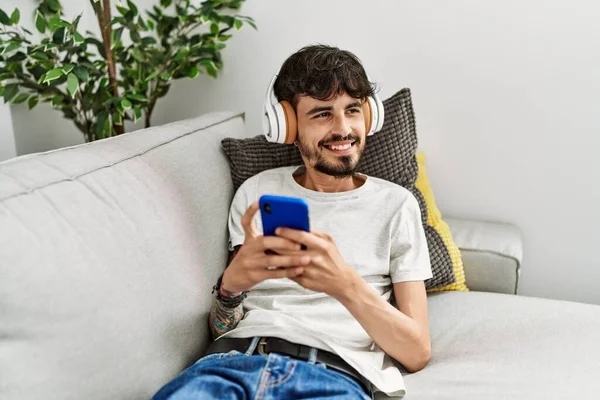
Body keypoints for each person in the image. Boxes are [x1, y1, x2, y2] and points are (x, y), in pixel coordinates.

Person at [153, 44, 433, 400]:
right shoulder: (257, 192)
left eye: (352, 111)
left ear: (370, 115)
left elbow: (417, 352)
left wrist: (344, 284)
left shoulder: (397, 206)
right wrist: (229, 289)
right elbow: (222, 327)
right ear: (287, 124)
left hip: (334, 375)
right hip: (232, 364)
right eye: (322, 114)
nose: (343, 129)